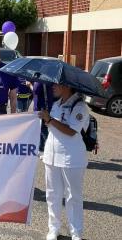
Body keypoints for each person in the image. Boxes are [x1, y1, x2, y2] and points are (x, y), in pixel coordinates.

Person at [38, 84, 89, 240]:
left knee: (73, 197)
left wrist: (50, 119)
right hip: (51, 155)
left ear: (68, 86)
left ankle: (76, 232)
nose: (53, 86)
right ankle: (53, 228)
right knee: (52, 195)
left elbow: (71, 131)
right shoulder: (56, 103)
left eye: (58, 84)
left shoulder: (80, 106)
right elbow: (51, 127)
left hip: (71, 157)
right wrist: (46, 119)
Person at [32, 82, 54, 153]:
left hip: (42, 108)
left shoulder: (40, 81)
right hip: (44, 107)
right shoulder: (48, 80)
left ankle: (48, 149)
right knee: (41, 129)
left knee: (43, 130)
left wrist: (30, 85)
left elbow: (36, 90)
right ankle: (41, 148)